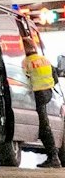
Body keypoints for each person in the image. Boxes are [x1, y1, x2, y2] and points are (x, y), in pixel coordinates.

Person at [21, 18, 60, 169]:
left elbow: (23, 79)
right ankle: (53, 157)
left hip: (37, 95)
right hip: (47, 93)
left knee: (44, 127)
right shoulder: (44, 59)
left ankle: (53, 158)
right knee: (44, 125)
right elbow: (55, 79)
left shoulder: (26, 62)